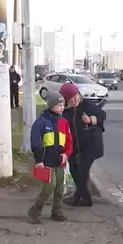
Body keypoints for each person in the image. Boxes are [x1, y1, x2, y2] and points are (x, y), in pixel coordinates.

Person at [27, 91, 73, 224]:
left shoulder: (64, 122)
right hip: (46, 161)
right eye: (59, 105)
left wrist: (66, 153)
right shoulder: (41, 122)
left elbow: (69, 141)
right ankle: (36, 209)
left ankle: (57, 211)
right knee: (48, 188)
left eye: (63, 105)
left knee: (59, 188)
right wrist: (39, 160)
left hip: (60, 161)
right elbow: (36, 142)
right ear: (51, 105)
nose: (62, 108)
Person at [59, 83, 106, 207]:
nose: (75, 100)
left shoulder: (87, 105)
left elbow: (102, 116)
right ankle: (81, 196)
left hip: (90, 144)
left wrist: (91, 120)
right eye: (71, 99)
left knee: (82, 171)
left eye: (76, 96)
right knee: (74, 170)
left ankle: (83, 199)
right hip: (75, 147)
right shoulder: (66, 111)